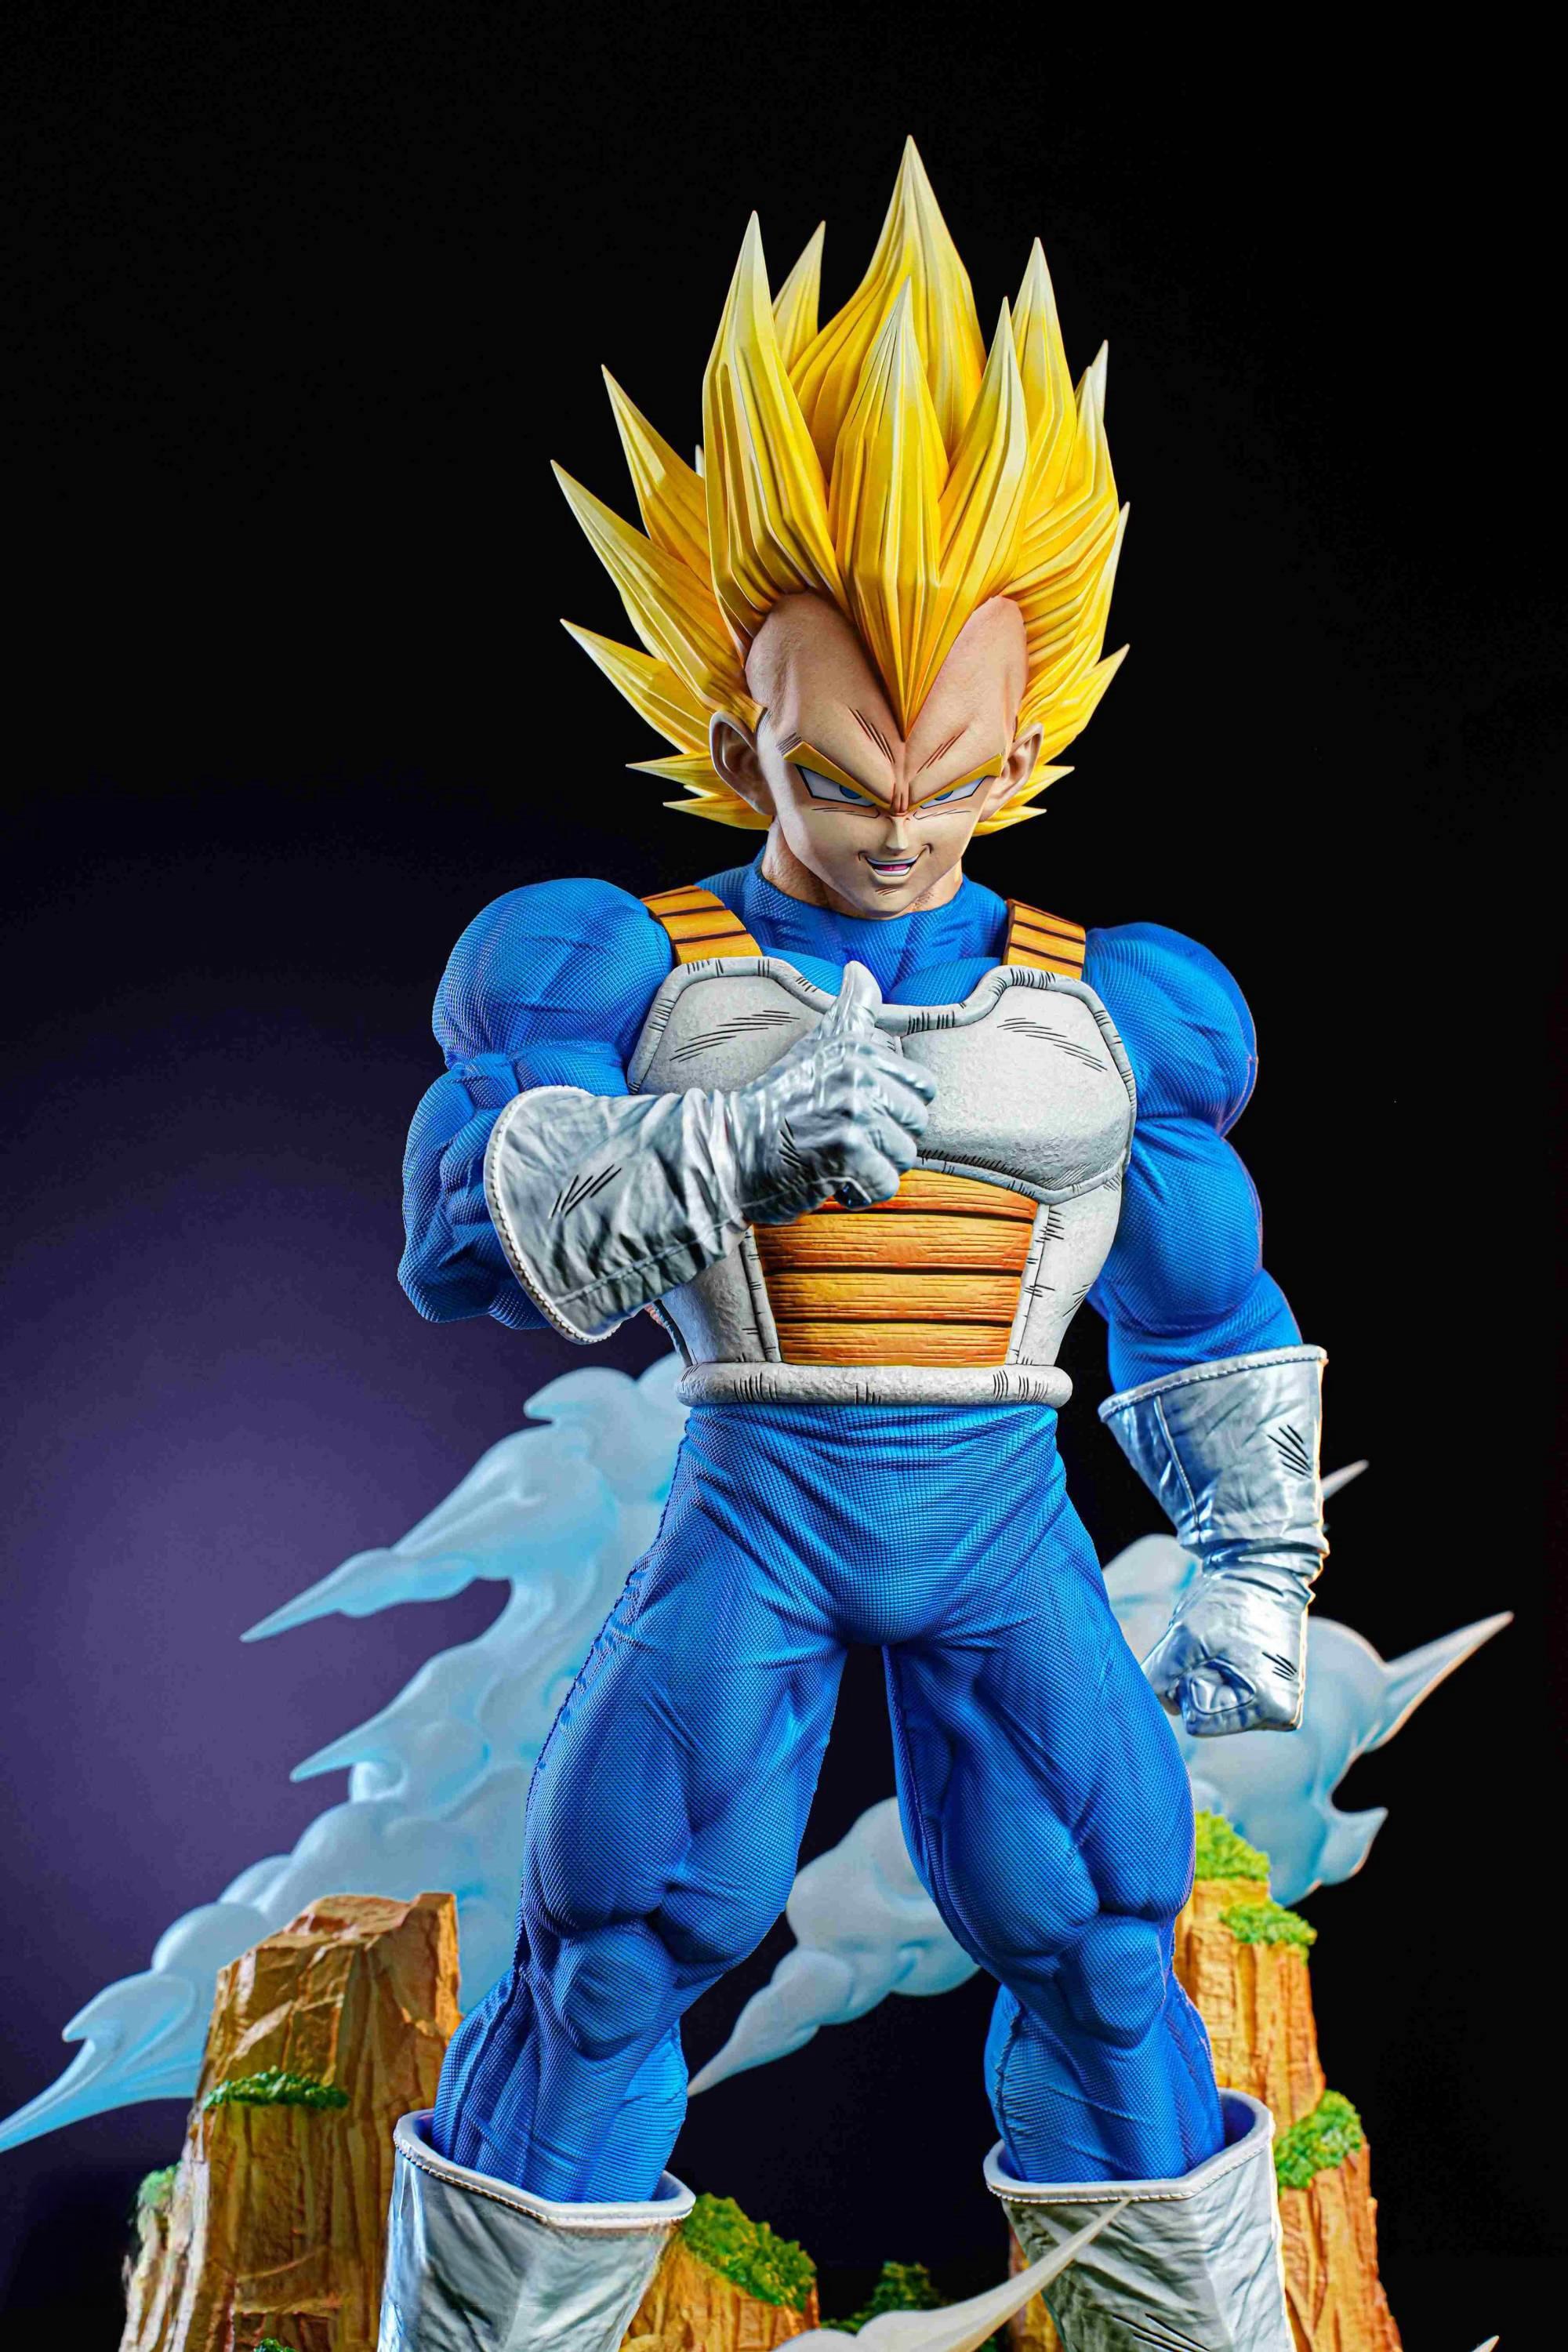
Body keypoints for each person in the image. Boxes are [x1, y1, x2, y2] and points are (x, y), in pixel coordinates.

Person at [379, 144, 1325, 2352]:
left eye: (951, 786)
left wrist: (1257, 1559)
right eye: (840, 785)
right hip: (763, 1501)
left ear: (1026, 742)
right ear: (740, 744)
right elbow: (454, 1233)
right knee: (614, 1956)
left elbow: (1202, 1285)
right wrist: (717, 1143)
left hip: (998, 1509)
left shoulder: (1119, 1005)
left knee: (1107, 1950)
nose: (901, 834)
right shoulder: (616, 961)